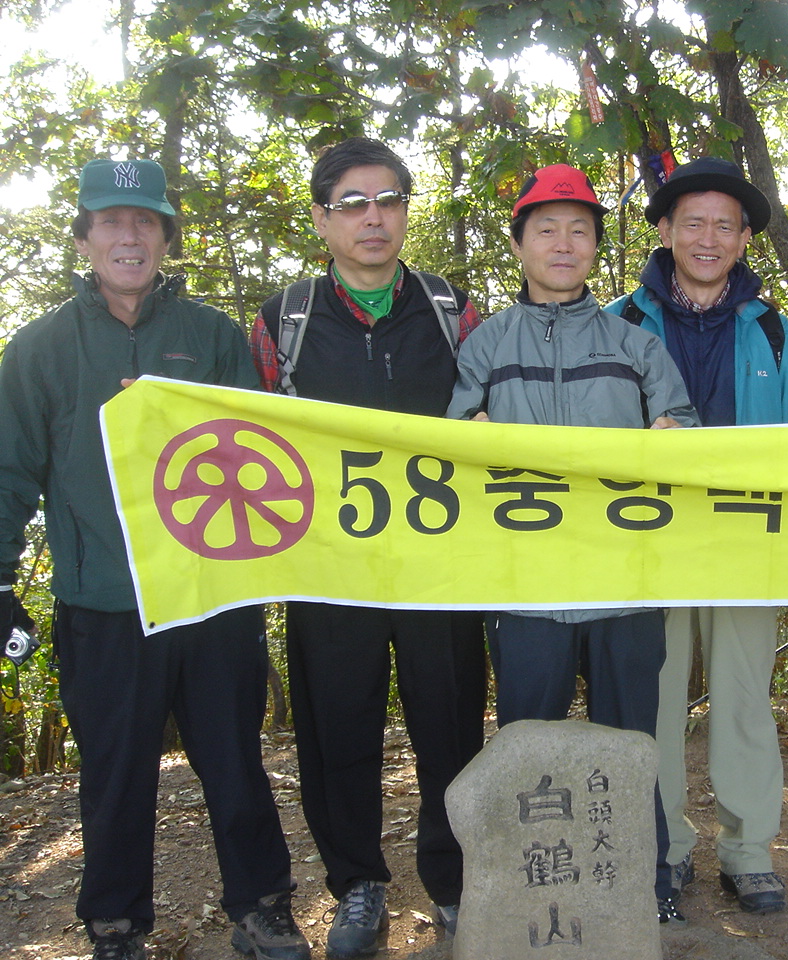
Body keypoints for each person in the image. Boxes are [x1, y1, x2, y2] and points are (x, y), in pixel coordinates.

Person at [0, 159, 309, 960]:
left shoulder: (211, 336)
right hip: (102, 603)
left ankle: (262, 907)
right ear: (84, 237)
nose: (129, 236)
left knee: (234, 762)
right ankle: (114, 923)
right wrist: (0, 581)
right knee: (114, 774)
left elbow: (258, 454)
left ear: (167, 237)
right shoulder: (40, 349)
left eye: (145, 220)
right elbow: (9, 472)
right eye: (110, 220)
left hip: (211, 598)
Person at [250, 137, 487, 957]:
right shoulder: (285, 320)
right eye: (352, 203)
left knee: (449, 726)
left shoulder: (453, 311)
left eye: (388, 199)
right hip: (330, 568)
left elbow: (494, 418)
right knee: (337, 728)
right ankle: (357, 885)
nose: (373, 217)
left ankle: (453, 883)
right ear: (322, 220)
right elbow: (245, 439)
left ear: (407, 210)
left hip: (437, 566)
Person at [446, 162, 699, 923]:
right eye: (546, 230)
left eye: (579, 231)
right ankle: (528, 888)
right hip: (527, 587)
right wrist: (468, 435)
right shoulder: (486, 345)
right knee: (526, 743)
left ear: (595, 247)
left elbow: (686, 436)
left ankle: (646, 884)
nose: (563, 244)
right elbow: (451, 447)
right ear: (519, 244)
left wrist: (675, 437)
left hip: (625, 584)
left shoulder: (636, 345)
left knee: (634, 741)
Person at [607, 157, 788, 915]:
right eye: (692, 222)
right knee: (654, 700)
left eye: (724, 226)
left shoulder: (772, 330)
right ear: (665, 230)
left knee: (743, 697)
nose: (708, 238)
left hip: (745, 540)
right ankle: (661, 849)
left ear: (744, 239)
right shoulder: (618, 323)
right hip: (648, 542)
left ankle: (749, 851)